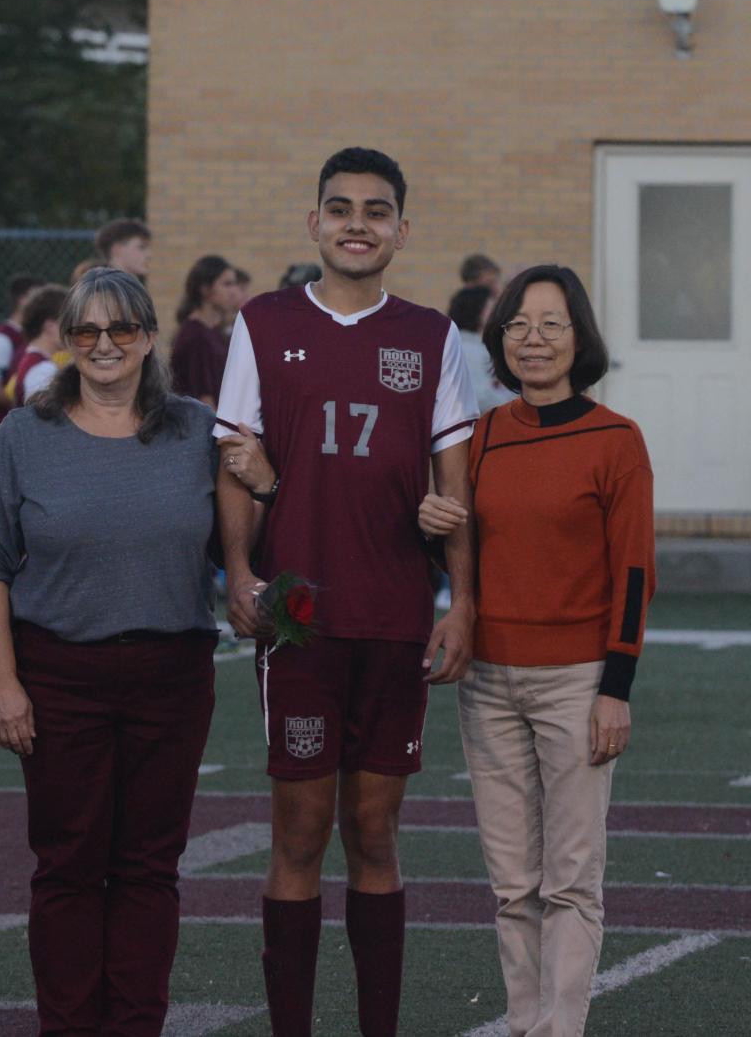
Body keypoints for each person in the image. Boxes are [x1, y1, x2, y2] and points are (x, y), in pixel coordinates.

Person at [215, 146, 479, 1037]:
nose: (356, 223)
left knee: (373, 833)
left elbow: (456, 491)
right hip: (296, 617)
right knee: (297, 835)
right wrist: (242, 572)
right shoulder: (260, 322)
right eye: (340, 208)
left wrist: (462, 604)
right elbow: (232, 460)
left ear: (401, 229)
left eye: (375, 210)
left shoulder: (433, 337)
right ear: (314, 223)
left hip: (395, 611)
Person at [0, 267, 220, 1037]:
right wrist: (3, 683)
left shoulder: (196, 431)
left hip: (170, 674)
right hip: (58, 675)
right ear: (65, 340)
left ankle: (137, 1025)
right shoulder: (24, 433)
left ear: (148, 337)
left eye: (121, 330)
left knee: (148, 867)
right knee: (69, 867)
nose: (103, 345)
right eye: (85, 332)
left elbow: (247, 544)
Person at [418, 265, 653, 1037]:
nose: (534, 339)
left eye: (551, 323)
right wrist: (427, 526)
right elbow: (460, 561)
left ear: (579, 337)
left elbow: (634, 571)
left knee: (570, 882)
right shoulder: (478, 439)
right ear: (498, 340)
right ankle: (524, 1023)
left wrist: (614, 686)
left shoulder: (616, 439)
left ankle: (561, 1028)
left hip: (577, 684)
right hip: (485, 682)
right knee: (511, 884)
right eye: (518, 324)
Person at [172, 255, 243, 406]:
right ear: (205, 289)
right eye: (227, 284)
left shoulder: (213, 332)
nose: (234, 291)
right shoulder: (196, 335)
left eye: (235, 284)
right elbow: (204, 399)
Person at [0, 273, 44, 435]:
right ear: (22, 300)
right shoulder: (2, 338)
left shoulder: (34, 336)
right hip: (3, 432)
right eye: (39, 298)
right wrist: (29, 408)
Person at [446, 282, 517, 415]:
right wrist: (517, 404)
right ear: (475, 310)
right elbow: (480, 397)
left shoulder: (478, 346)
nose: (497, 313)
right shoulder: (466, 349)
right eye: (491, 307)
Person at [7, 284, 68, 404]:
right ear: (50, 326)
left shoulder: (35, 361)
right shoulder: (43, 370)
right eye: (67, 322)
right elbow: (42, 419)